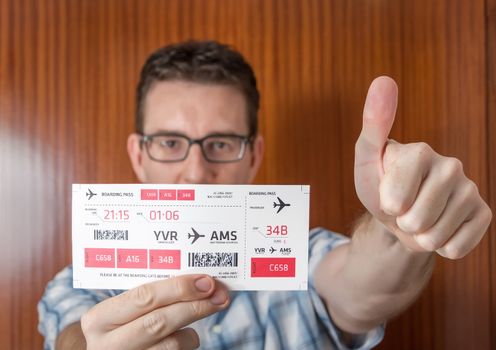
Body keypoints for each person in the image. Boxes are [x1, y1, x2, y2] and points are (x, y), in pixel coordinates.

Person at [38, 41, 492, 350]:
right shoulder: (80, 282)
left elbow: (361, 290)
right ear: (139, 156)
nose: (196, 174)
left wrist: (400, 226)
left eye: (220, 144)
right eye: (171, 143)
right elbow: (72, 335)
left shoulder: (296, 251)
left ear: (253, 156)